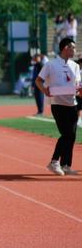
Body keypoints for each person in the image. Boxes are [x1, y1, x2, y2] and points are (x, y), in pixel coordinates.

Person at [35, 38, 81, 175]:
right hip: (57, 103)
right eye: (72, 47)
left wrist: (79, 90)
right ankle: (54, 161)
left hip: (72, 103)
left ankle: (66, 164)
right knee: (66, 133)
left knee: (71, 136)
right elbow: (38, 81)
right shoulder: (51, 64)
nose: (74, 50)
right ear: (65, 48)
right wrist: (44, 90)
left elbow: (78, 85)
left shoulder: (76, 66)